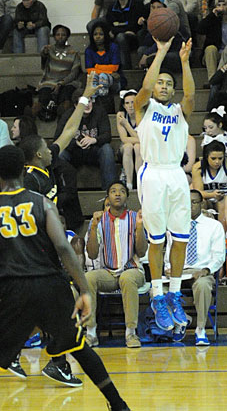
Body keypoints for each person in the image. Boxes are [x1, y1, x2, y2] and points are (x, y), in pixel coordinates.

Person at [0, 145, 131, 411]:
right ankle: (119, 405)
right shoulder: (42, 203)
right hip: (50, 286)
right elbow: (63, 247)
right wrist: (83, 289)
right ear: (24, 171)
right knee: (79, 346)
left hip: (12, 288)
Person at [134, 37, 195, 331]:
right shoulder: (142, 109)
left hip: (176, 175)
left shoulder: (179, 113)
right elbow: (144, 89)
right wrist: (159, 53)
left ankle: (173, 294)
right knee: (157, 241)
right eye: (161, 82)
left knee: (181, 238)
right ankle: (157, 295)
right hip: (153, 174)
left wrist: (183, 62)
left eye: (169, 83)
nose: (165, 86)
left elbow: (192, 98)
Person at [85, 181, 148, 348]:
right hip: (109, 272)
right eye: (113, 191)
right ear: (108, 197)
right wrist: (92, 227)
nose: (118, 194)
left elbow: (141, 252)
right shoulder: (100, 219)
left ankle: (131, 333)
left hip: (133, 270)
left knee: (127, 278)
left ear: (127, 196)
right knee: (88, 278)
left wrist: (140, 229)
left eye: (121, 191)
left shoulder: (136, 217)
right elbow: (91, 254)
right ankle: (91, 332)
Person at [164, 189, 226, 345]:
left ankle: (200, 329)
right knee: (157, 290)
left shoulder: (214, 226)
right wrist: (168, 268)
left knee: (203, 285)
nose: (190, 206)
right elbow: (168, 255)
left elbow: (219, 256)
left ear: (201, 203)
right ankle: (180, 322)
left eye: (194, 202)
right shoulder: (174, 226)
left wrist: (205, 271)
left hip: (202, 271)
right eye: (187, 203)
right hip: (180, 271)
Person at [54, 87, 117, 191]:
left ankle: (109, 190)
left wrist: (94, 140)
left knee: (107, 149)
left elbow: (107, 135)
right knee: (60, 153)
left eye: (89, 101)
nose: (87, 105)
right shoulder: (67, 115)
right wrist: (74, 143)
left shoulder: (100, 112)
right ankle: (62, 190)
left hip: (94, 151)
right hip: (74, 152)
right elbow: (57, 138)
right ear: (76, 106)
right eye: (84, 103)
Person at [192, 140, 227, 231]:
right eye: (213, 158)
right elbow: (198, 193)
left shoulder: (225, 166)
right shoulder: (198, 168)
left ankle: (223, 236)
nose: (217, 162)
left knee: (224, 204)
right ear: (207, 157)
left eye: (220, 158)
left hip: (223, 197)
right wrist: (213, 195)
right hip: (206, 197)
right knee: (199, 203)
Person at [85, 21, 122, 100]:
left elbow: (114, 68)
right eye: (95, 34)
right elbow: (89, 70)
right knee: (94, 76)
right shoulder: (89, 50)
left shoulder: (113, 47)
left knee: (102, 76)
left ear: (106, 35)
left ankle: (102, 95)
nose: (98, 37)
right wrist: (108, 71)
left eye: (101, 34)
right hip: (98, 78)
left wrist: (97, 67)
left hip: (114, 81)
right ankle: (95, 97)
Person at [106, 0, 146, 69]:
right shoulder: (111, 7)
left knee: (121, 37)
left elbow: (136, 25)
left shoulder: (137, 4)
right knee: (119, 37)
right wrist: (124, 31)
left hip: (134, 38)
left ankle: (126, 69)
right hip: (117, 38)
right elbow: (109, 26)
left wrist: (116, 30)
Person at [197, 0, 227, 85]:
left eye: (224, 5)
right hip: (217, 53)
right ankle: (213, 81)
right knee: (210, 49)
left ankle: (218, 80)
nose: (221, 8)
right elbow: (199, 29)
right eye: (219, 5)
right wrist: (212, 15)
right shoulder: (213, 20)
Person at [116, 89, 143, 190]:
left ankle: (140, 182)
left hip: (141, 147)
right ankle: (129, 183)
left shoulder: (143, 114)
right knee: (128, 146)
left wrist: (126, 124)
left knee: (137, 147)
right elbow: (124, 139)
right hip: (125, 149)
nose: (130, 105)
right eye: (127, 103)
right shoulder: (121, 115)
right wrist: (138, 139)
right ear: (124, 105)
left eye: (133, 102)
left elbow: (143, 139)